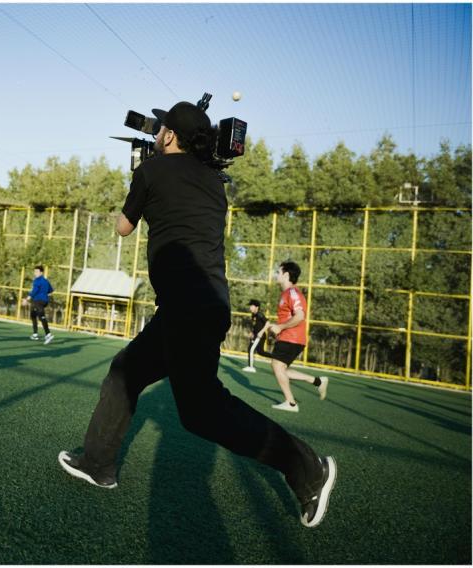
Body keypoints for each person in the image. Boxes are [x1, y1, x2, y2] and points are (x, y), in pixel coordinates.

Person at [57, 101, 337, 528]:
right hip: (198, 304)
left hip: (187, 306)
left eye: (159, 131)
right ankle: (98, 463)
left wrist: (142, 171)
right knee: (124, 373)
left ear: (168, 135)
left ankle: (308, 467)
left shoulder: (151, 171)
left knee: (202, 410)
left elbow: (123, 228)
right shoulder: (213, 181)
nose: (154, 136)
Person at [258, 261, 329, 412]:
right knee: (281, 368)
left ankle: (291, 403)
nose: (276, 274)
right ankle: (317, 381)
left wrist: (280, 327)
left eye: (278, 272)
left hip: (292, 337)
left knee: (277, 366)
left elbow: (300, 316)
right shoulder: (285, 294)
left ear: (286, 275)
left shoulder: (293, 293)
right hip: (288, 337)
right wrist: (277, 327)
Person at [22, 265, 54, 344]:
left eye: (36, 271)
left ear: (41, 272)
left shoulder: (37, 280)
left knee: (41, 316)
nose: (35, 273)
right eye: (34, 271)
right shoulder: (46, 281)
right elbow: (51, 290)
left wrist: (27, 299)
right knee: (33, 315)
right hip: (44, 301)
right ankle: (35, 334)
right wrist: (44, 293)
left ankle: (48, 334)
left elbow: (34, 291)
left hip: (38, 301)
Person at [242, 299, 271, 372]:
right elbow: (255, 325)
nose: (250, 307)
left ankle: (251, 367)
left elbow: (268, 323)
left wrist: (261, 332)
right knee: (261, 352)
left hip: (260, 336)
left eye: (252, 306)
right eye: (250, 306)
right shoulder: (253, 315)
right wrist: (252, 332)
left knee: (251, 349)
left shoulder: (260, 314)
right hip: (256, 335)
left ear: (257, 307)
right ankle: (277, 357)